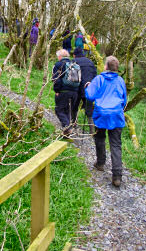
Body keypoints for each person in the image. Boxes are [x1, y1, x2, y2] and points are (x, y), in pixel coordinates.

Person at [85, 56, 127, 187]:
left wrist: (88, 86)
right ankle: (117, 176)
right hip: (116, 114)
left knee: (100, 139)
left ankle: (100, 163)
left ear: (106, 67)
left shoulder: (99, 79)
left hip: (101, 114)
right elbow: (124, 99)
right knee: (115, 144)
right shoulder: (120, 81)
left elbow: (90, 96)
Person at [52, 49, 78, 137]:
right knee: (67, 111)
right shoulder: (73, 64)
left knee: (59, 110)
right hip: (74, 92)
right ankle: (66, 132)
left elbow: (56, 79)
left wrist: (57, 90)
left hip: (63, 92)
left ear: (60, 56)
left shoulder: (59, 64)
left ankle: (67, 128)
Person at [71, 47, 97, 133]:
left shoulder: (74, 62)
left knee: (74, 106)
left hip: (77, 89)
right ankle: (92, 131)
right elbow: (95, 76)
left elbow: (73, 78)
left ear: (74, 55)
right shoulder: (90, 62)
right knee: (89, 110)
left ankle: (73, 123)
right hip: (89, 89)